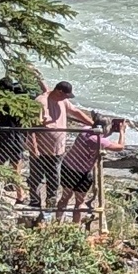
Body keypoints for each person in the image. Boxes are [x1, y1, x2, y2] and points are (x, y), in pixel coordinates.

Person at [28, 82, 93, 222]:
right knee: (36, 178)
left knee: (54, 180)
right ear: (58, 91)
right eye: (65, 95)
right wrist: (34, 148)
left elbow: (76, 112)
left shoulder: (63, 101)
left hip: (57, 152)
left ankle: (49, 209)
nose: (66, 98)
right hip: (41, 151)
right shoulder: (41, 102)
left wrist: (92, 124)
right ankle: (34, 204)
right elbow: (32, 127)